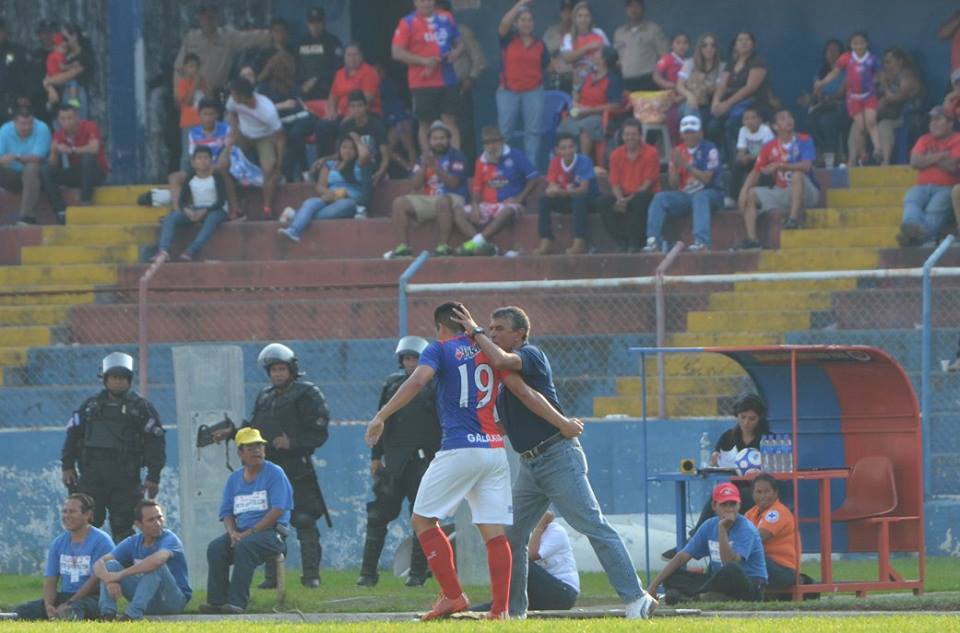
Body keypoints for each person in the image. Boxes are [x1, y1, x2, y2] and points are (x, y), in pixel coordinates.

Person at [450, 304, 657, 619]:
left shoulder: (530, 354)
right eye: (490, 328)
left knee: (592, 525)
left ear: (520, 334)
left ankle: (637, 598)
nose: (492, 333)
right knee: (512, 536)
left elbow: (503, 361)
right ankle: (514, 611)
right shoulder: (505, 382)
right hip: (530, 465)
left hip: (557, 455)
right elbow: (508, 425)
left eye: (499, 328)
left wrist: (475, 332)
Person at [364, 302, 515, 620]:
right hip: (494, 449)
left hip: (460, 448)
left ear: (440, 327)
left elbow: (418, 381)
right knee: (494, 532)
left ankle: (453, 596)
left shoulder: (440, 348)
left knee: (422, 520)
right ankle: (500, 610)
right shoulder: (488, 348)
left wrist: (381, 416)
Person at [228, 343, 330, 589]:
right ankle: (273, 577)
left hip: (297, 466)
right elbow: (253, 429)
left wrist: (292, 442)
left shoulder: (307, 393)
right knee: (268, 521)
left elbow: (319, 431)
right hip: (268, 468)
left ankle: (311, 576)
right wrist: (231, 432)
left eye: (282, 369)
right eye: (273, 370)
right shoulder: (265, 396)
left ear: (291, 369)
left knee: (304, 519)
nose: (277, 374)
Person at [357, 336, 441, 588]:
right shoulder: (393, 385)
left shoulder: (436, 385)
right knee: (377, 516)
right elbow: (381, 420)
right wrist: (375, 457)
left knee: (422, 518)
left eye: (415, 358)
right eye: (407, 358)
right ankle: (367, 574)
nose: (411, 363)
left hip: (423, 462)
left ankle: (417, 574)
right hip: (393, 463)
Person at [61, 352, 166, 543]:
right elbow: (73, 435)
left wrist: (153, 476)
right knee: (88, 526)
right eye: (114, 377)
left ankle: (123, 563)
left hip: (126, 478)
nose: (118, 382)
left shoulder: (141, 408)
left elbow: (155, 443)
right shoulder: (90, 406)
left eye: (123, 378)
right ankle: (89, 563)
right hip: (92, 476)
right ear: (105, 379)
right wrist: (67, 466)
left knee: (123, 528)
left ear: (129, 380)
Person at [661, 394, 768, 561]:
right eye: (743, 417)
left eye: (752, 419)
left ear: (760, 418)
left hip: (757, 491)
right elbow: (717, 458)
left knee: (729, 498)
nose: (746, 423)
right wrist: (714, 458)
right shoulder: (728, 436)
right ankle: (693, 541)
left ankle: (692, 546)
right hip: (733, 488)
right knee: (717, 497)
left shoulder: (767, 439)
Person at [202, 428, 293, 614]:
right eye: (250, 448)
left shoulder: (275, 473)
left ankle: (237, 603)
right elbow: (226, 512)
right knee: (216, 548)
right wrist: (232, 533)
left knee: (245, 546)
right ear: (240, 453)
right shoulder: (234, 479)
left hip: (272, 534)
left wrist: (249, 533)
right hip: (242, 533)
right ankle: (217, 602)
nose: (257, 451)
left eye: (259, 446)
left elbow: (277, 509)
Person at [650, 482, 767, 604]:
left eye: (733, 504)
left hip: (749, 585)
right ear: (714, 506)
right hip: (718, 582)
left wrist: (722, 530)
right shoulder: (709, 525)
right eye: (724, 504)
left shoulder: (746, 528)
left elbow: (729, 562)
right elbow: (683, 556)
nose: (729, 509)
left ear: (739, 506)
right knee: (671, 576)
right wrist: (654, 585)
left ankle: (694, 597)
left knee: (731, 569)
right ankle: (708, 596)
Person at [13, 494, 114, 621]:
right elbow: (51, 579)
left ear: (87, 515)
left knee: (76, 609)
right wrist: (48, 606)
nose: (67, 516)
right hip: (65, 596)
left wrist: (70, 603)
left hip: (93, 597)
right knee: (24, 610)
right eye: (64, 511)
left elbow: (95, 581)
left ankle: (67, 615)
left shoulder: (102, 541)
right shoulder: (58, 543)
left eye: (72, 512)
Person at [94, 500, 191, 621]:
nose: (157, 523)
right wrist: (109, 580)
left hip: (172, 601)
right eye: (151, 520)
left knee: (155, 566)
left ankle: (131, 616)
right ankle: (107, 615)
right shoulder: (133, 542)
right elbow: (99, 563)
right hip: (146, 599)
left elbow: (158, 560)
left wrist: (120, 575)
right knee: (110, 565)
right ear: (138, 524)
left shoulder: (170, 539)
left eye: (159, 518)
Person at [385, 120, 468, 259]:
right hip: (430, 199)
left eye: (442, 138)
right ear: (429, 141)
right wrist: (424, 166)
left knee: (442, 201)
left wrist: (435, 167)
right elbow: (415, 185)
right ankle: (404, 247)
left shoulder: (457, 156)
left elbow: (453, 183)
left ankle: (443, 246)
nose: (438, 142)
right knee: (399, 203)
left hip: (454, 198)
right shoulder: (423, 158)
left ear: (448, 140)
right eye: (435, 139)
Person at [736, 108, 819, 249]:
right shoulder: (768, 146)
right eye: (783, 118)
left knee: (798, 174)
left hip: (807, 192)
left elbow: (806, 166)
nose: (788, 120)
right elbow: (756, 171)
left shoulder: (804, 139)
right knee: (750, 194)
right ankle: (752, 240)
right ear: (775, 126)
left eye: (790, 117)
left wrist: (781, 166)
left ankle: (793, 220)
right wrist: (743, 191)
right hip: (783, 191)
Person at [452, 125, 540, 256]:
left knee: (508, 210)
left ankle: (474, 243)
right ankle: (488, 246)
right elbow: (477, 187)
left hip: (510, 204)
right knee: (458, 211)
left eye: (495, 142)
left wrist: (520, 198)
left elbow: (534, 177)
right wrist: (475, 205)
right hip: (488, 205)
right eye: (487, 143)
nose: (492, 146)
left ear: (502, 141)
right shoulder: (481, 161)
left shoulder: (515, 155)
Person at [392, 0, 464, 152]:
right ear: (415, 2)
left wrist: (456, 53)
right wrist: (423, 61)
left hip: (447, 78)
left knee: (450, 120)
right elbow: (396, 52)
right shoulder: (407, 22)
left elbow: (460, 43)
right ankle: (428, 160)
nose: (426, 3)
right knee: (425, 123)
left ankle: (455, 159)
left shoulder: (446, 17)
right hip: (422, 81)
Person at [643, 115, 723, 252]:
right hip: (686, 195)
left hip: (711, 194)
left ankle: (702, 242)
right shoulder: (678, 151)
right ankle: (654, 241)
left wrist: (686, 165)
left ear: (700, 133)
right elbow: (674, 185)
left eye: (693, 132)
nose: (689, 136)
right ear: (681, 134)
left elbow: (707, 179)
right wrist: (674, 167)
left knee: (700, 197)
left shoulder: (710, 149)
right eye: (686, 132)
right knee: (660, 198)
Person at [472, 511, 580, 613]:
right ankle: (482, 610)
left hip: (564, 593)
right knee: (511, 595)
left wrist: (540, 524)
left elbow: (531, 554)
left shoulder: (556, 531)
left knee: (519, 561)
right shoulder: (527, 531)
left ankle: (499, 606)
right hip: (542, 592)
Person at [278, 134, 370, 243]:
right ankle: (293, 231)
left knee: (345, 204)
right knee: (310, 202)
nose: (347, 151)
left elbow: (365, 155)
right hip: (329, 198)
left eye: (352, 148)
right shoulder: (330, 164)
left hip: (348, 200)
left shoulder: (358, 164)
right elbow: (320, 186)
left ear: (356, 151)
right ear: (339, 149)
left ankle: (295, 214)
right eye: (344, 147)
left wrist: (357, 139)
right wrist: (330, 194)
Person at [815, 31, 882, 166]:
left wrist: (877, 82)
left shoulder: (872, 59)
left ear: (866, 44)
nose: (858, 46)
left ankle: (878, 150)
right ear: (850, 45)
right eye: (855, 43)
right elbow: (835, 73)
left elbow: (880, 75)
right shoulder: (846, 58)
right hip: (854, 98)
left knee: (871, 122)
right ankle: (862, 154)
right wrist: (822, 83)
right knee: (861, 127)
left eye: (861, 43)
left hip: (869, 95)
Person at [173, 4, 270, 96]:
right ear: (199, 18)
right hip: (193, 94)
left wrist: (273, 34)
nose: (207, 20)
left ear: (217, 18)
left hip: (216, 94)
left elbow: (252, 37)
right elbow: (179, 68)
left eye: (211, 16)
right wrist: (179, 94)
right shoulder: (191, 38)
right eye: (204, 16)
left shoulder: (228, 37)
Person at [897, 106, 960, 248]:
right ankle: (912, 229)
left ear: (950, 123)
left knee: (935, 208)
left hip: (946, 187)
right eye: (931, 120)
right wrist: (941, 156)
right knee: (911, 198)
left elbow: (952, 166)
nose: (933, 123)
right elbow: (914, 162)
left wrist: (927, 158)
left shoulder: (957, 139)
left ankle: (913, 238)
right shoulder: (924, 139)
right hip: (921, 187)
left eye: (938, 119)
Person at [497, 1, 549, 167]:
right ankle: (502, 167)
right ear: (516, 23)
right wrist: (520, 3)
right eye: (523, 20)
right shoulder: (508, 38)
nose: (527, 23)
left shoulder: (539, 43)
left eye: (530, 20)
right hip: (508, 91)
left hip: (533, 91)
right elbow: (503, 24)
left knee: (533, 133)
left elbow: (549, 65)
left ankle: (531, 169)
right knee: (505, 132)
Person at [224, 77, 285, 218]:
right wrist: (233, 133)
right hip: (243, 133)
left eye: (234, 94)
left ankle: (267, 208)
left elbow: (281, 137)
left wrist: (279, 163)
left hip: (265, 137)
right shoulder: (233, 101)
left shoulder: (267, 110)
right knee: (222, 164)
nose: (231, 97)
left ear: (242, 96)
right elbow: (232, 112)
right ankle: (235, 207)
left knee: (268, 169)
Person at [154, 146, 228, 262]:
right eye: (199, 158)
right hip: (197, 208)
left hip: (216, 210)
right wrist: (187, 210)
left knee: (211, 220)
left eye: (206, 158)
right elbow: (182, 201)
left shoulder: (216, 176)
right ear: (193, 162)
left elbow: (221, 201)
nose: (203, 161)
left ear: (211, 161)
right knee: (171, 218)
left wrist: (204, 211)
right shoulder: (191, 177)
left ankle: (191, 250)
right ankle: (163, 250)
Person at [597, 118, 661, 252]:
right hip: (624, 195)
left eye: (633, 134)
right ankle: (621, 242)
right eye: (627, 134)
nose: (630, 137)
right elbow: (614, 183)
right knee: (603, 202)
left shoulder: (651, 153)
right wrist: (620, 199)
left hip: (645, 195)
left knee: (640, 198)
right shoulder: (616, 154)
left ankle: (635, 243)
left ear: (640, 135)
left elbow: (647, 185)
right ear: (622, 136)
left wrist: (627, 200)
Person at [710, 31, 770, 164]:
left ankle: (736, 163)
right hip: (730, 104)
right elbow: (722, 85)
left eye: (747, 39)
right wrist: (716, 102)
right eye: (740, 40)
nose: (743, 42)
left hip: (752, 105)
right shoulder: (732, 63)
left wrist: (727, 104)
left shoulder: (757, 62)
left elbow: (750, 87)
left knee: (731, 124)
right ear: (735, 45)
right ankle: (721, 161)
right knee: (713, 126)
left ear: (753, 44)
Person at [556, 45, 623, 160]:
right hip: (581, 112)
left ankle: (584, 160)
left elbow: (616, 105)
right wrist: (575, 103)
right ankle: (564, 161)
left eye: (598, 52)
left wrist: (590, 110)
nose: (594, 54)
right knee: (563, 125)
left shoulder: (612, 79)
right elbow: (578, 94)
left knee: (585, 126)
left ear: (603, 59)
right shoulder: (589, 76)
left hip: (600, 116)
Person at [439, 0, 486, 164]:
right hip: (435, 89)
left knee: (463, 130)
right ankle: (443, 166)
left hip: (459, 87)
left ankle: (466, 169)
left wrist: (471, 77)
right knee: (438, 131)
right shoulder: (425, 36)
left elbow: (479, 59)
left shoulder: (461, 32)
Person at [535, 133, 597, 255]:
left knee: (579, 198)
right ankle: (546, 240)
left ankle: (580, 241)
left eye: (571, 147)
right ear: (557, 150)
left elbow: (583, 189)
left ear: (576, 147)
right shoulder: (555, 162)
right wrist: (551, 190)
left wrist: (561, 191)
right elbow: (552, 185)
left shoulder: (584, 160)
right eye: (563, 148)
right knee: (544, 200)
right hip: (568, 199)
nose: (568, 151)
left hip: (589, 200)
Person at [47, 103, 108, 224]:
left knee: (87, 158)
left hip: (96, 173)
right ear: (58, 120)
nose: (66, 122)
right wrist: (55, 150)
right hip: (77, 173)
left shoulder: (89, 126)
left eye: (70, 118)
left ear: (77, 117)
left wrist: (72, 150)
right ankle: (60, 211)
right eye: (63, 119)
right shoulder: (58, 134)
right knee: (46, 170)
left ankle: (86, 201)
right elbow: (52, 164)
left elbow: (94, 148)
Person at [168, 97, 230, 209]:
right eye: (205, 114)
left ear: (217, 115)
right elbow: (193, 157)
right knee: (174, 177)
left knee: (221, 167)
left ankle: (232, 208)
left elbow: (229, 152)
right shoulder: (193, 132)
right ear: (199, 115)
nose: (208, 118)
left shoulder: (225, 129)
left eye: (211, 114)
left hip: (219, 169)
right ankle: (179, 210)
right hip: (200, 170)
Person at [743, 474, 799, 591]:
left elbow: (757, 539)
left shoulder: (778, 511)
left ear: (775, 493)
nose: (763, 496)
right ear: (752, 494)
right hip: (765, 566)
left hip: (782, 570)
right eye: (758, 492)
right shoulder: (750, 513)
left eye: (767, 491)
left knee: (747, 555)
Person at [0, 107, 53, 225]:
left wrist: (16, 157)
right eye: (23, 124)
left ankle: (28, 217)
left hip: (37, 177)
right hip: (12, 176)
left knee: (31, 167)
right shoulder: (5, 130)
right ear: (14, 122)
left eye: (30, 123)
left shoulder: (42, 128)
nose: (27, 127)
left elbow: (38, 158)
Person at [800, 39, 847, 166]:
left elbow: (842, 92)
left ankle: (832, 156)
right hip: (823, 105)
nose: (831, 53)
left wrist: (830, 97)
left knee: (826, 121)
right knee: (809, 122)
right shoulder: (820, 72)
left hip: (840, 106)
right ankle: (820, 153)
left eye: (835, 50)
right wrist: (810, 98)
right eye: (829, 51)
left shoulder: (846, 71)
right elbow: (817, 93)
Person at [876, 47, 923, 166]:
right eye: (884, 62)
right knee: (862, 122)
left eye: (889, 61)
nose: (885, 65)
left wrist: (884, 84)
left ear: (900, 61)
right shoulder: (891, 78)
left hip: (910, 117)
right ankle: (855, 159)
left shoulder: (907, 76)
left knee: (884, 125)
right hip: (894, 116)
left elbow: (895, 98)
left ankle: (885, 160)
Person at [337, 91, 390, 187]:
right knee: (327, 165)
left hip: (372, 164)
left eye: (359, 106)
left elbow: (385, 156)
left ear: (366, 107)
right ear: (349, 108)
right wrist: (324, 159)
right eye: (353, 106)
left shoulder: (376, 125)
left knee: (365, 167)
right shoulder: (346, 126)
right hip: (353, 164)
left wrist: (380, 172)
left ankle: (362, 196)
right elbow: (340, 154)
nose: (356, 109)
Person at [613, 0, 667, 92]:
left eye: (637, 6)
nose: (634, 10)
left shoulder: (654, 29)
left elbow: (664, 56)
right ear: (626, 10)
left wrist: (660, 78)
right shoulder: (619, 33)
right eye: (630, 6)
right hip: (625, 82)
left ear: (643, 9)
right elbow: (616, 59)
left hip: (648, 80)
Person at [677, 33, 725, 128]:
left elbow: (720, 88)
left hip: (709, 104)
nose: (709, 48)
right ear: (700, 48)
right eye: (705, 45)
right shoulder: (690, 63)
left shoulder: (721, 66)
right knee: (691, 109)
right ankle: (693, 135)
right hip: (689, 102)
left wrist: (713, 97)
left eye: (712, 45)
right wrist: (689, 95)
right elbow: (679, 85)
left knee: (713, 124)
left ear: (716, 48)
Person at [296, 7, 344, 102]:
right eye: (312, 22)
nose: (315, 26)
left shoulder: (333, 42)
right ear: (307, 23)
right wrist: (300, 87)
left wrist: (316, 79)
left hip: (327, 93)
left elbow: (338, 68)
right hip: (305, 93)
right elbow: (296, 68)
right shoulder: (301, 43)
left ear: (324, 23)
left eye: (318, 22)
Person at [560, 2, 609, 92]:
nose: (583, 19)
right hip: (579, 86)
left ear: (591, 18)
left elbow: (610, 55)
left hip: (599, 82)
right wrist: (587, 47)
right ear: (574, 18)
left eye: (586, 16)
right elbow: (567, 58)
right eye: (580, 16)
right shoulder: (568, 37)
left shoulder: (599, 33)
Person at [730, 107, 774, 203]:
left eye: (753, 118)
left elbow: (766, 153)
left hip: (767, 160)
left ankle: (764, 199)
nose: (750, 121)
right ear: (743, 121)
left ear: (760, 120)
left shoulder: (765, 130)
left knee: (764, 168)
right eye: (747, 118)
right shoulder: (743, 130)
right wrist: (741, 157)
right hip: (752, 160)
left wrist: (748, 157)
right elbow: (741, 149)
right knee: (737, 165)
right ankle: (734, 197)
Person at [174, 53, 208, 167]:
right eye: (191, 66)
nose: (194, 69)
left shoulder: (202, 83)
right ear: (185, 68)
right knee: (188, 154)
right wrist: (194, 85)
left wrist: (202, 84)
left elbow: (210, 99)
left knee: (203, 150)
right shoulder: (182, 83)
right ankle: (185, 174)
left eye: (196, 67)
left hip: (203, 123)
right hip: (189, 123)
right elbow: (187, 102)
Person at [543, 0, 575, 93]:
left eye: (570, 11)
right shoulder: (551, 31)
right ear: (561, 13)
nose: (567, 14)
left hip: (575, 77)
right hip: (556, 77)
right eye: (565, 11)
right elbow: (542, 53)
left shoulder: (579, 32)